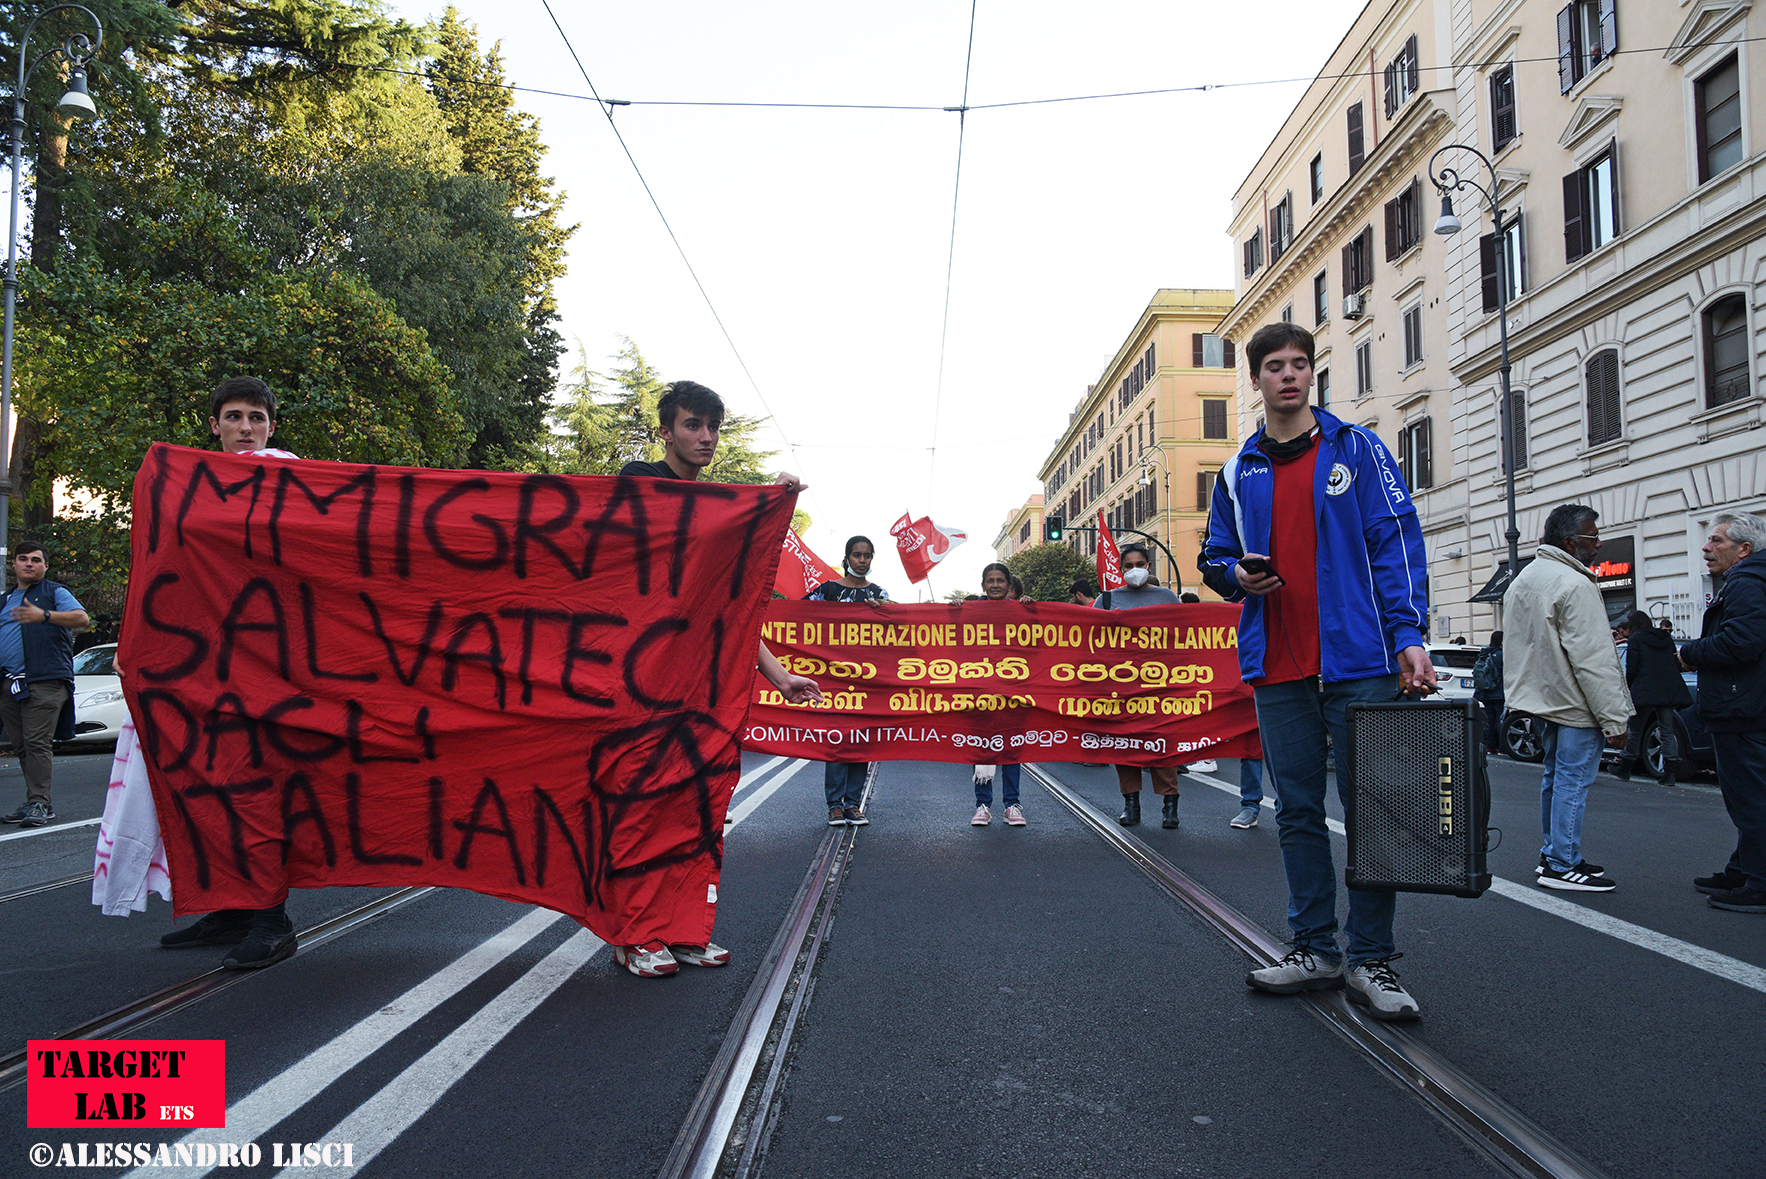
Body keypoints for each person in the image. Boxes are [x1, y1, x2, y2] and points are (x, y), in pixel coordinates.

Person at [1199, 321, 1434, 1021]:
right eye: (1276, 366)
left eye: (1301, 364)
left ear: (1312, 376)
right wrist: (1236, 574)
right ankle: (1314, 947)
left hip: (1360, 660)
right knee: (1296, 810)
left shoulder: (1356, 448)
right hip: (1278, 664)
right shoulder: (1239, 470)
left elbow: (1395, 540)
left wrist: (1409, 633)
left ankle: (1372, 958)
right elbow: (1216, 555)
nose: (1291, 375)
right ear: (1257, 380)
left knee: (1379, 809)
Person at [616, 379, 823, 976]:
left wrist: (781, 677)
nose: (705, 438)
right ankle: (635, 933)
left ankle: (682, 928)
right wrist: (752, 506)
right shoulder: (642, 480)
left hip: (703, 686)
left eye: (713, 428)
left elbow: (727, 613)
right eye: (691, 426)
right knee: (644, 805)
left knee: (699, 808)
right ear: (666, 431)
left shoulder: (722, 514)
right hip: (644, 681)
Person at [137, 377, 304, 968]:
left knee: (257, 789)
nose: (245, 428)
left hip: (271, 669)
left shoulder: (292, 480)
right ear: (214, 424)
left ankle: (270, 918)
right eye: (233, 417)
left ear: (271, 426)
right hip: (204, 667)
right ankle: (235, 906)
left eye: (256, 417)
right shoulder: (189, 485)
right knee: (207, 787)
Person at [1503, 504, 1633, 893]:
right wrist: (1615, 720)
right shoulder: (1575, 584)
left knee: (1555, 777)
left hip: (1543, 698)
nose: (1598, 544)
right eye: (1593, 538)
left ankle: (1556, 854)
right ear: (1570, 542)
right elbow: (1594, 659)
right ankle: (1561, 862)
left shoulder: (1526, 579)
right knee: (1573, 781)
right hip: (1576, 702)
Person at [1678, 513, 1766, 913]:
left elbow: (1741, 643)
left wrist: (1689, 652)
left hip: (1742, 709)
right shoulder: (1749, 582)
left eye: (1716, 541)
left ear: (1743, 549)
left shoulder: (1747, 583)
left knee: (1751, 800)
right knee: (1748, 797)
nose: (1706, 547)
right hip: (1746, 705)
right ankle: (1743, 869)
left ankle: (1759, 883)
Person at [0, 541, 89, 829]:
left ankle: (40, 801)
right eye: (23, 559)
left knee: (37, 743)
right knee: (22, 745)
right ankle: (35, 801)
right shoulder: (5, 600)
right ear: (13, 564)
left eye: (36, 560)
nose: (29, 564)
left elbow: (81, 618)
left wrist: (45, 616)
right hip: (9, 684)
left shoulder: (55, 593)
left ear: (45, 566)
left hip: (44, 680)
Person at [1094, 544, 1184, 828]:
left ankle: (1170, 806)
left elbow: (1188, 633)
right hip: (1121, 687)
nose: (1135, 570)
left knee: (1163, 745)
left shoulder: (1167, 597)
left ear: (1149, 565)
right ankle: (1130, 804)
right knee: (1126, 745)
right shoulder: (1107, 600)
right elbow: (1087, 636)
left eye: (1140, 563)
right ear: (1121, 570)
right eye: (1129, 565)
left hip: (1160, 686)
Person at [806, 535, 888, 827]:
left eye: (867, 556)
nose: (862, 561)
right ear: (847, 558)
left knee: (861, 742)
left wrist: (885, 614)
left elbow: (904, 626)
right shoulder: (826, 590)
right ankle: (834, 806)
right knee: (838, 740)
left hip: (867, 682)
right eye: (857, 555)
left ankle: (853, 804)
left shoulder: (880, 594)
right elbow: (795, 616)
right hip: (833, 680)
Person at [968, 563, 1026, 828]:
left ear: (1008, 585)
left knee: (1012, 749)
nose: (994, 585)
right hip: (979, 692)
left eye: (1000, 581)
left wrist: (1031, 608)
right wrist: (955, 609)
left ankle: (1011, 805)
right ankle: (983, 805)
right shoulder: (970, 611)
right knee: (983, 749)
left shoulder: (1020, 611)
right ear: (982, 585)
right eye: (990, 580)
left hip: (1013, 691)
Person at [1613, 609, 1691, 785]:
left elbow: (1631, 667)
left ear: (1633, 625)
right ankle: (1670, 772)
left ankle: (1626, 767)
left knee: (1636, 729)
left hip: (1645, 689)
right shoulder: (1665, 638)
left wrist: (1629, 687)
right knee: (1667, 731)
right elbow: (1676, 664)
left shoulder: (1635, 639)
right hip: (1667, 689)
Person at [1472, 632, 1505, 756]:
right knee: (1500, 719)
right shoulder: (1501, 655)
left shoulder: (1483, 654)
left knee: (1490, 720)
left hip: (1485, 692)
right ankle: (1502, 747)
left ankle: (1490, 746)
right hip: (1498, 692)